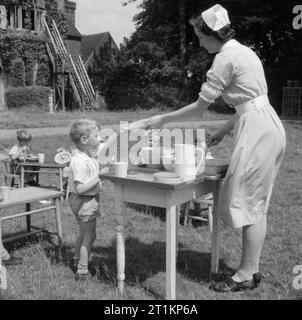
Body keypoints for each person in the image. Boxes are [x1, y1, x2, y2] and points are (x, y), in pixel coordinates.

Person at [142, 4, 286, 292]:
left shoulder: (224, 58)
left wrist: (162, 119)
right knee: (257, 203)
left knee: (249, 203)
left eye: (199, 36)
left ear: (212, 34)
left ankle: (245, 274)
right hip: (268, 124)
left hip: (257, 131)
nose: (198, 42)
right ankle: (252, 269)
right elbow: (251, 103)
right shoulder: (245, 51)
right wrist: (222, 131)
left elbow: (199, 108)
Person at [68, 119, 119, 281]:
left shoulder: (86, 154)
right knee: (90, 235)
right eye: (96, 136)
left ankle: (77, 260)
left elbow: (101, 151)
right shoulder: (79, 162)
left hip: (85, 200)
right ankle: (82, 271)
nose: (100, 139)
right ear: (84, 139)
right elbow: (80, 189)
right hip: (84, 200)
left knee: (83, 233)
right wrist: (100, 176)